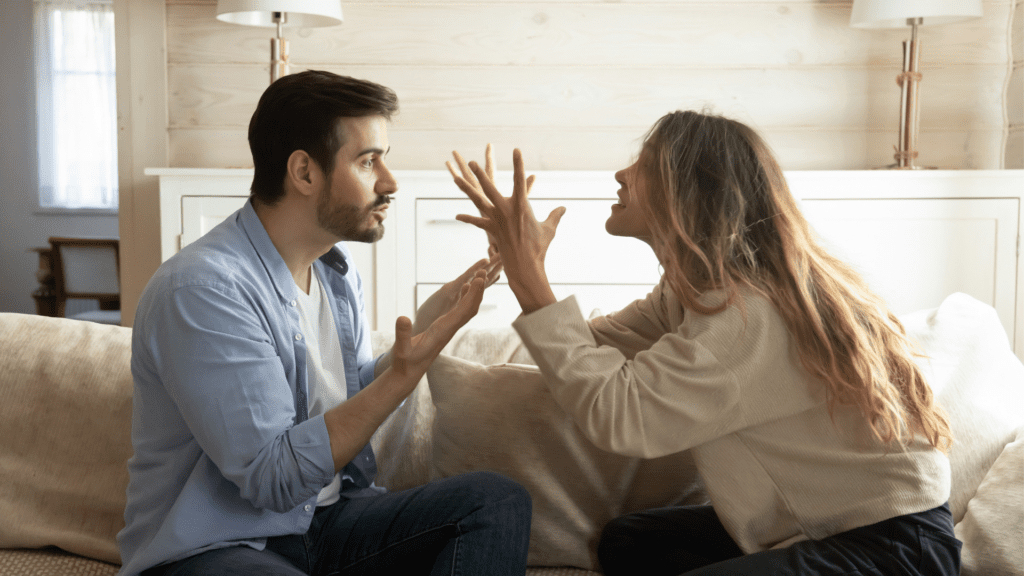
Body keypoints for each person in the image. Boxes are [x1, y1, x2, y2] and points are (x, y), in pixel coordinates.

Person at [447, 110, 960, 576]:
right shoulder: (697, 293)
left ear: (688, 191)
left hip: (893, 547)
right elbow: (586, 351)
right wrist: (516, 267)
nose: (622, 175)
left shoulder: (748, 315)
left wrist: (530, 276)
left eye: (642, 165)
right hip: (822, 524)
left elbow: (622, 415)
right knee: (631, 544)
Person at [117, 70, 532, 576]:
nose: (390, 182)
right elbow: (274, 480)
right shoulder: (204, 290)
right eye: (367, 161)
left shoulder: (335, 272)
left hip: (325, 522)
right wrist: (404, 375)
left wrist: (429, 331)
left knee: (495, 502)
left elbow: (353, 400)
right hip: (224, 546)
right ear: (304, 173)